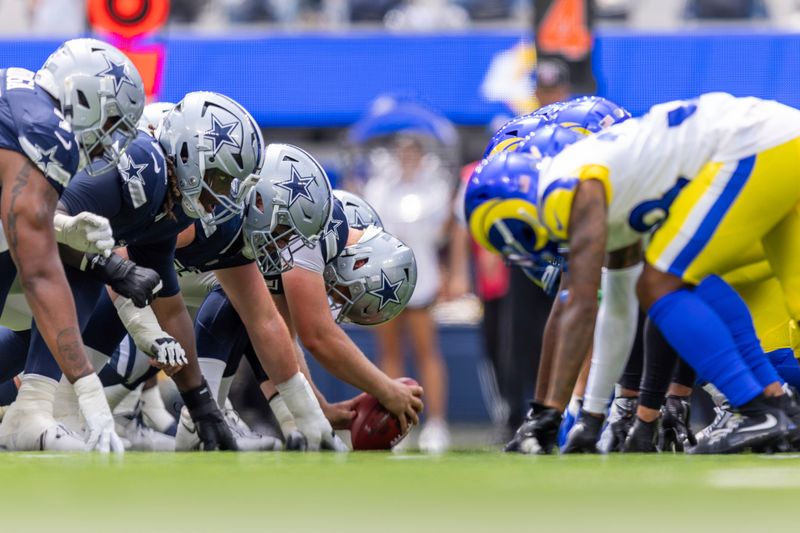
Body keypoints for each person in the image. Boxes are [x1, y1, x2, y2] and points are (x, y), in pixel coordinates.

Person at [487, 93, 800, 454]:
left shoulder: (578, 182)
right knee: (669, 288)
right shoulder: (630, 171)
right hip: (775, 146)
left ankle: (755, 406)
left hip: (760, 150)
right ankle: (770, 405)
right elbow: (625, 305)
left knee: (667, 285)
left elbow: (596, 301)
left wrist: (638, 409)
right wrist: (610, 413)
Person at [0, 38, 145, 452]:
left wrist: (58, 227)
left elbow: (12, 216)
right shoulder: (48, 132)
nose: (107, 146)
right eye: (112, 125)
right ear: (82, 95)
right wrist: (86, 384)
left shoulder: (20, 95)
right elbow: (39, 272)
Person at [364, 133, 451, 453]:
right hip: (383, 278)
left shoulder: (435, 187)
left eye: (413, 152)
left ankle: (437, 425)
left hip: (422, 278)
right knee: (389, 354)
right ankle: (395, 425)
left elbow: (438, 227)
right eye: (402, 152)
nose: (407, 158)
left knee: (427, 351)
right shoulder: (381, 186)